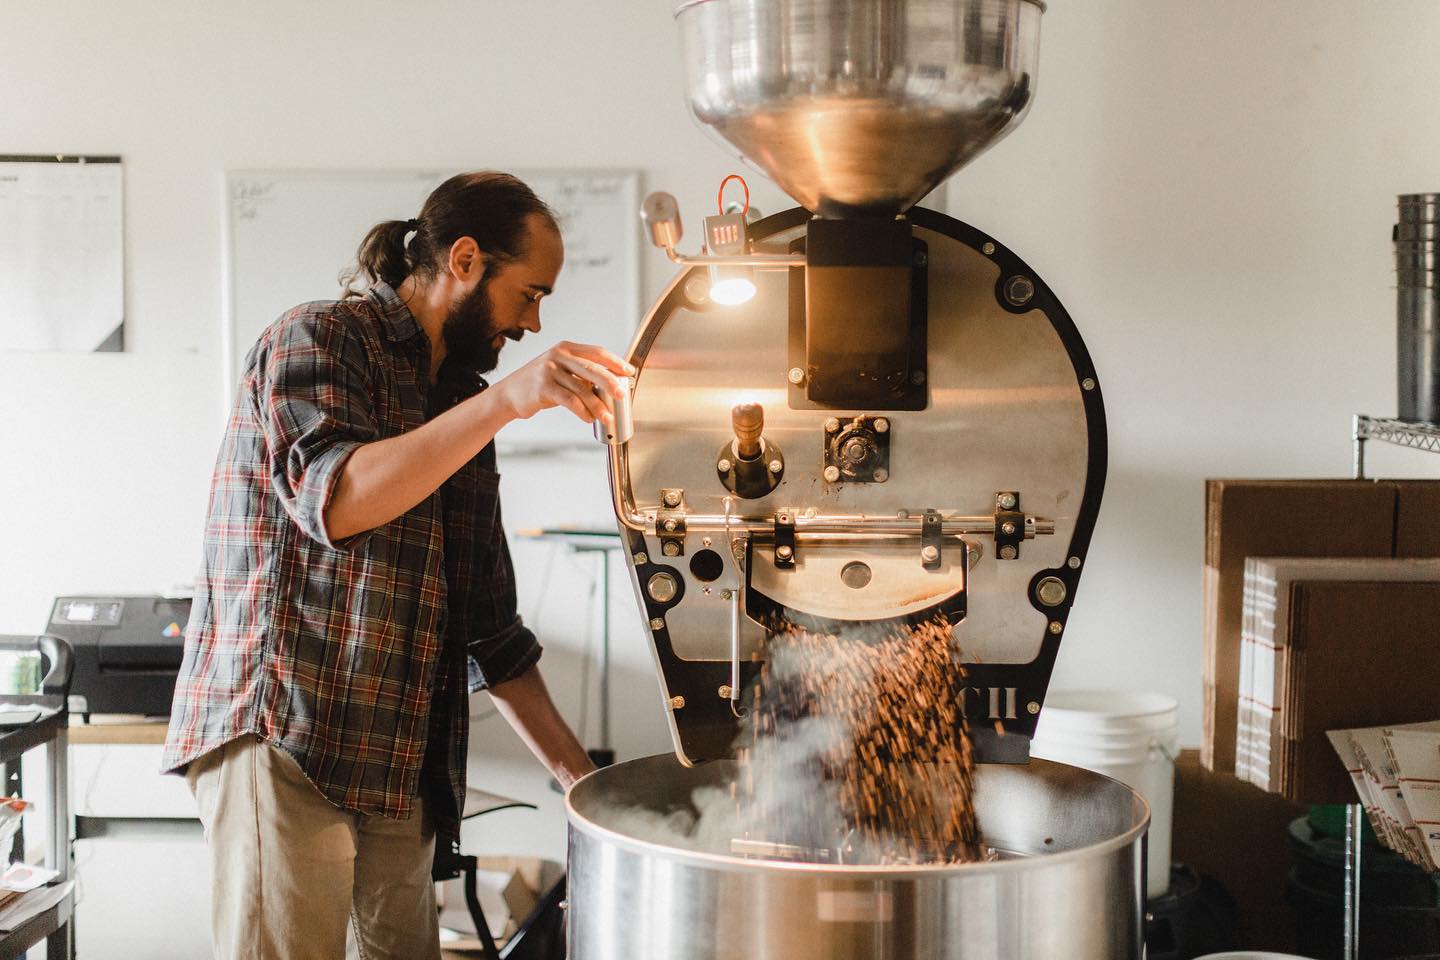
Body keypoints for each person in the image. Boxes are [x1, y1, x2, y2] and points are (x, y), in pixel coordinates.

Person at [162, 171, 631, 960]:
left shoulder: (458, 400)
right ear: (466, 260)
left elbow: (491, 631)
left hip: (398, 765)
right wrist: (504, 403)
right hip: (286, 739)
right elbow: (336, 501)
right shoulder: (317, 337)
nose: (533, 324)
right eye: (529, 295)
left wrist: (587, 789)